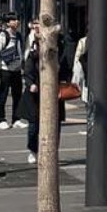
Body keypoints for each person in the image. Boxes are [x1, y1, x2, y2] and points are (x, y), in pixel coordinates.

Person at [22, 34, 70, 164]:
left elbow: (66, 72)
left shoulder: (59, 57)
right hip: (35, 95)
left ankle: (53, 151)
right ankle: (33, 150)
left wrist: (64, 81)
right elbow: (27, 72)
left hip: (55, 94)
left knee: (56, 124)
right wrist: (31, 84)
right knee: (34, 125)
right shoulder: (34, 56)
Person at [0, 14, 25, 128]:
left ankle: (16, 119)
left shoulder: (19, 36)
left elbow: (22, 52)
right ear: (8, 23)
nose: (16, 22)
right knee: (3, 95)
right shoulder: (2, 36)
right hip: (5, 69)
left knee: (17, 95)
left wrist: (22, 67)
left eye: (17, 20)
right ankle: (1, 119)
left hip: (17, 70)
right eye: (13, 20)